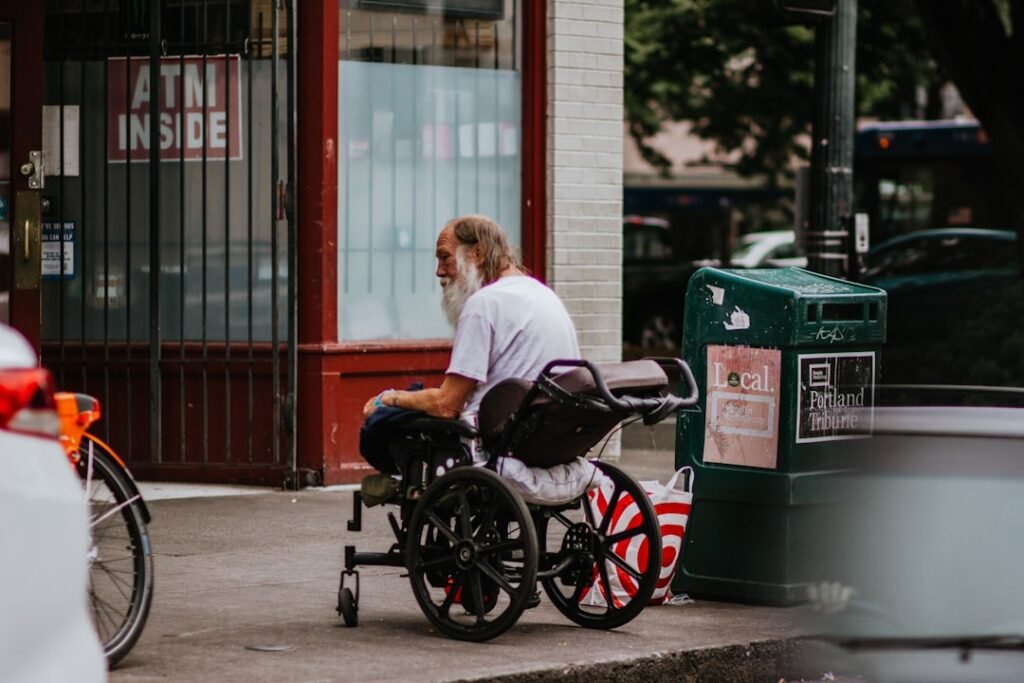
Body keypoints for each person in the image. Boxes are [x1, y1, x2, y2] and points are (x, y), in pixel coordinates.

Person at [362, 214, 580, 426]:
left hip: (496, 443)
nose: (439, 271)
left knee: (381, 428)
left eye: (445, 257)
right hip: (544, 433)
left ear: (477, 253)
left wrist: (390, 398)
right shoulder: (543, 294)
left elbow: (446, 405)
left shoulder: (484, 303)